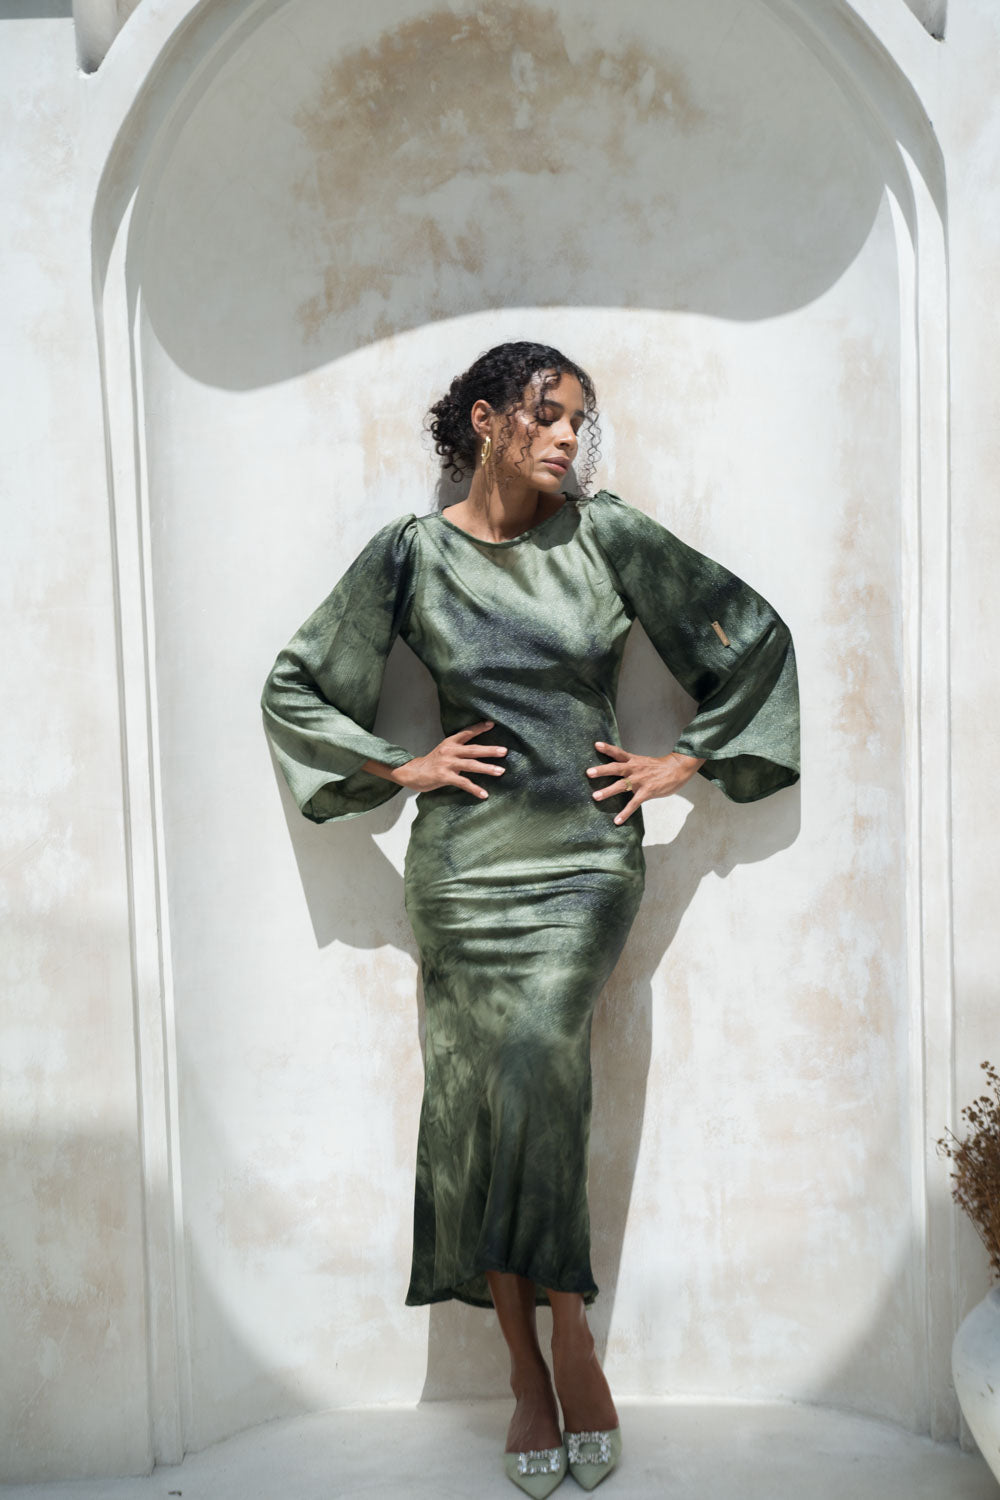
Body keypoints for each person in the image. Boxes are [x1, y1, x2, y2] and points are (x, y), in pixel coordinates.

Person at [261, 341, 800, 1496]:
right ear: (485, 418)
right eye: (547, 416)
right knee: (476, 1104)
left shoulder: (605, 537)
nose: (566, 439)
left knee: (539, 1067)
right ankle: (523, 1371)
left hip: (582, 865)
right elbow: (293, 684)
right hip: (461, 873)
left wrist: (684, 760)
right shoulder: (410, 556)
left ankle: (573, 1338)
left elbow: (753, 637)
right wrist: (400, 766)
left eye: (576, 423)